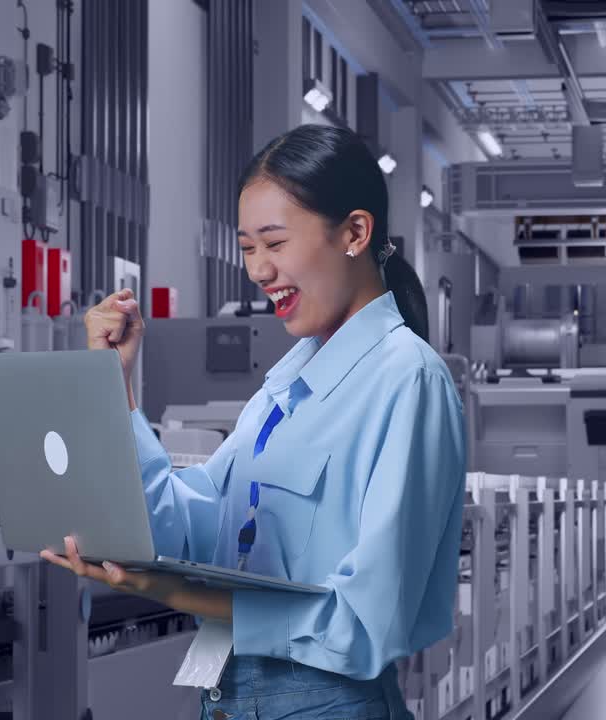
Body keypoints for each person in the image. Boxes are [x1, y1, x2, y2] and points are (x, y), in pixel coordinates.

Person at [41, 123, 467, 718]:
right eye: (247, 248)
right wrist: (115, 388)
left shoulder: (407, 380)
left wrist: (176, 592)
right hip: (229, 694)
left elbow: (368, 622)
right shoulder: (283, 387)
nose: (258, 271)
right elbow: (192, 532)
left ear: (355, 232)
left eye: (275, 242)